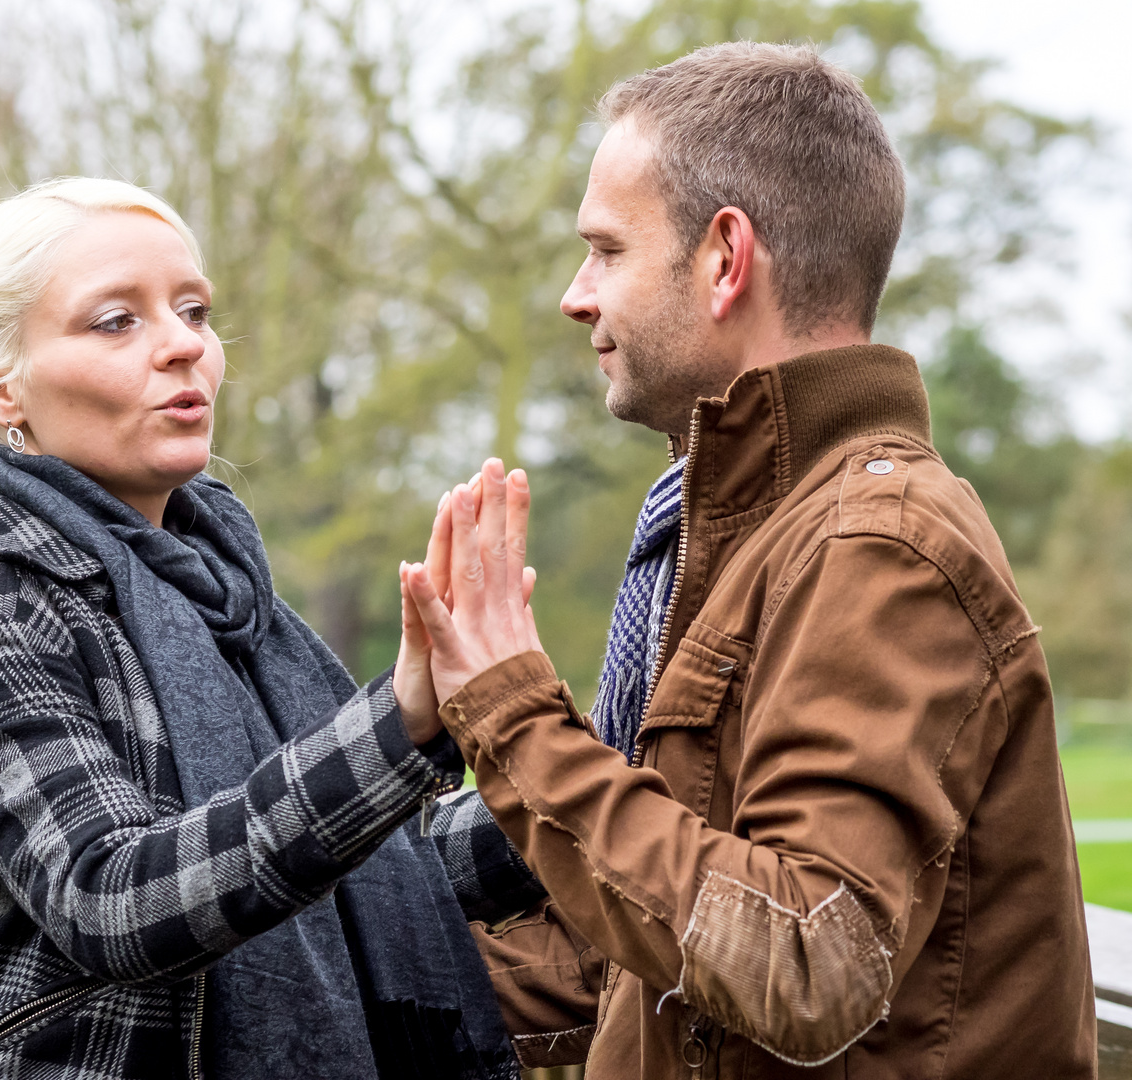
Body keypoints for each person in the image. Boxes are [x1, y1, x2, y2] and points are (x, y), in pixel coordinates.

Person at [401, 43, 1098, 1079]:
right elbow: (653, 955)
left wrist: (511, 716)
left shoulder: (879, 545)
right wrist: (313, 982)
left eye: (606, 249)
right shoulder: (733, 537)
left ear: (725, 257)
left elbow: (806, 956)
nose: (574, 296)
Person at [0, 177, 521, 1080]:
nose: (183, 346)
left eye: (194, 310)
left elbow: (377, 884)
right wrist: (397, 726)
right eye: (116, 321)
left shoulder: (238, 610)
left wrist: (578, 783)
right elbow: (115, 898)